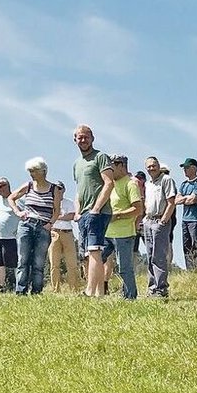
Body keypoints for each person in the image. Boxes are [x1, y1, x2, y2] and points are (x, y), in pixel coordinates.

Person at [72, 124, 117, 297]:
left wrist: (96, 208)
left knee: (94, 251)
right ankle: (99, 293)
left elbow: (109, 183)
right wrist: (78, 212)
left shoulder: (100, 157)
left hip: (98, 212)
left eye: (86, 137)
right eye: (80, 137)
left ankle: (90, 292)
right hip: (84, 213)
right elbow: (79, 190)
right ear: (75, 140)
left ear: (92, 138)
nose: (83, 140)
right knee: (89, 253)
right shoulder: (77, 164)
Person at [9, 158, 61, 295]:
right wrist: (18, 212)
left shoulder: (54, 189)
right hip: (26, 225)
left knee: (39, 262)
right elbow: (11, 197)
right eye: (30, 171)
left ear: (43, 171)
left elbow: (57, 210)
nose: (32, 174)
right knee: (23, 259)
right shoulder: (28, 186)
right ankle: (20, 291)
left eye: (34, 171)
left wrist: (50, 224)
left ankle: (36, 291)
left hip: (43, 227)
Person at [105, 154, 142, 299]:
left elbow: (138, 209)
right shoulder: (110, 184)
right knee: (95, 260)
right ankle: (96, 291)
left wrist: (118, 215)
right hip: (107, 232)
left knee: (124, 268)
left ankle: (130, 296)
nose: (109, 170)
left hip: (124, 234)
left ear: (121, 165)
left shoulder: (130, 184)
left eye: (111, 166)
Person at [142, 156, 177, 298]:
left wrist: (163, 221)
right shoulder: (148, 184)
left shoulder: (166, 180)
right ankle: (152, 287)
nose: (152, 168)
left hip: (159, 221)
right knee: (150, 256)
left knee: (159, 256)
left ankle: (161, 288)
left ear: (158, 166)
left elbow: (171, 202)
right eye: (149, 166)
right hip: (148, 221)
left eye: (154, 165)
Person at [176, 158, 197, 270]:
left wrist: (186, 199)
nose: (184, 170)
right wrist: (187, 198)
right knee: (186, 245)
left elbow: (194, 199)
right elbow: (177, 200)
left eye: (187, 167)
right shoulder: (183, 184)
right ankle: (190, 269)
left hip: (195, 219)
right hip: (185, 219)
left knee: (196, 244)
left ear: (194, 168)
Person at [49, 185, 80, 293]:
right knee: (54, 264)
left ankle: (74, 289)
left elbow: (72, 216)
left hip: (67, 233)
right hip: (54, 233)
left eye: (60, 189)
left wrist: (56, 217)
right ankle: (55, 289)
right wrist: (62, 217)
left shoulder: (69, 202)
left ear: (64, 190)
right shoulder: (50, 203)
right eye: (56, 189)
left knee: (72, 264)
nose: (58, 191)